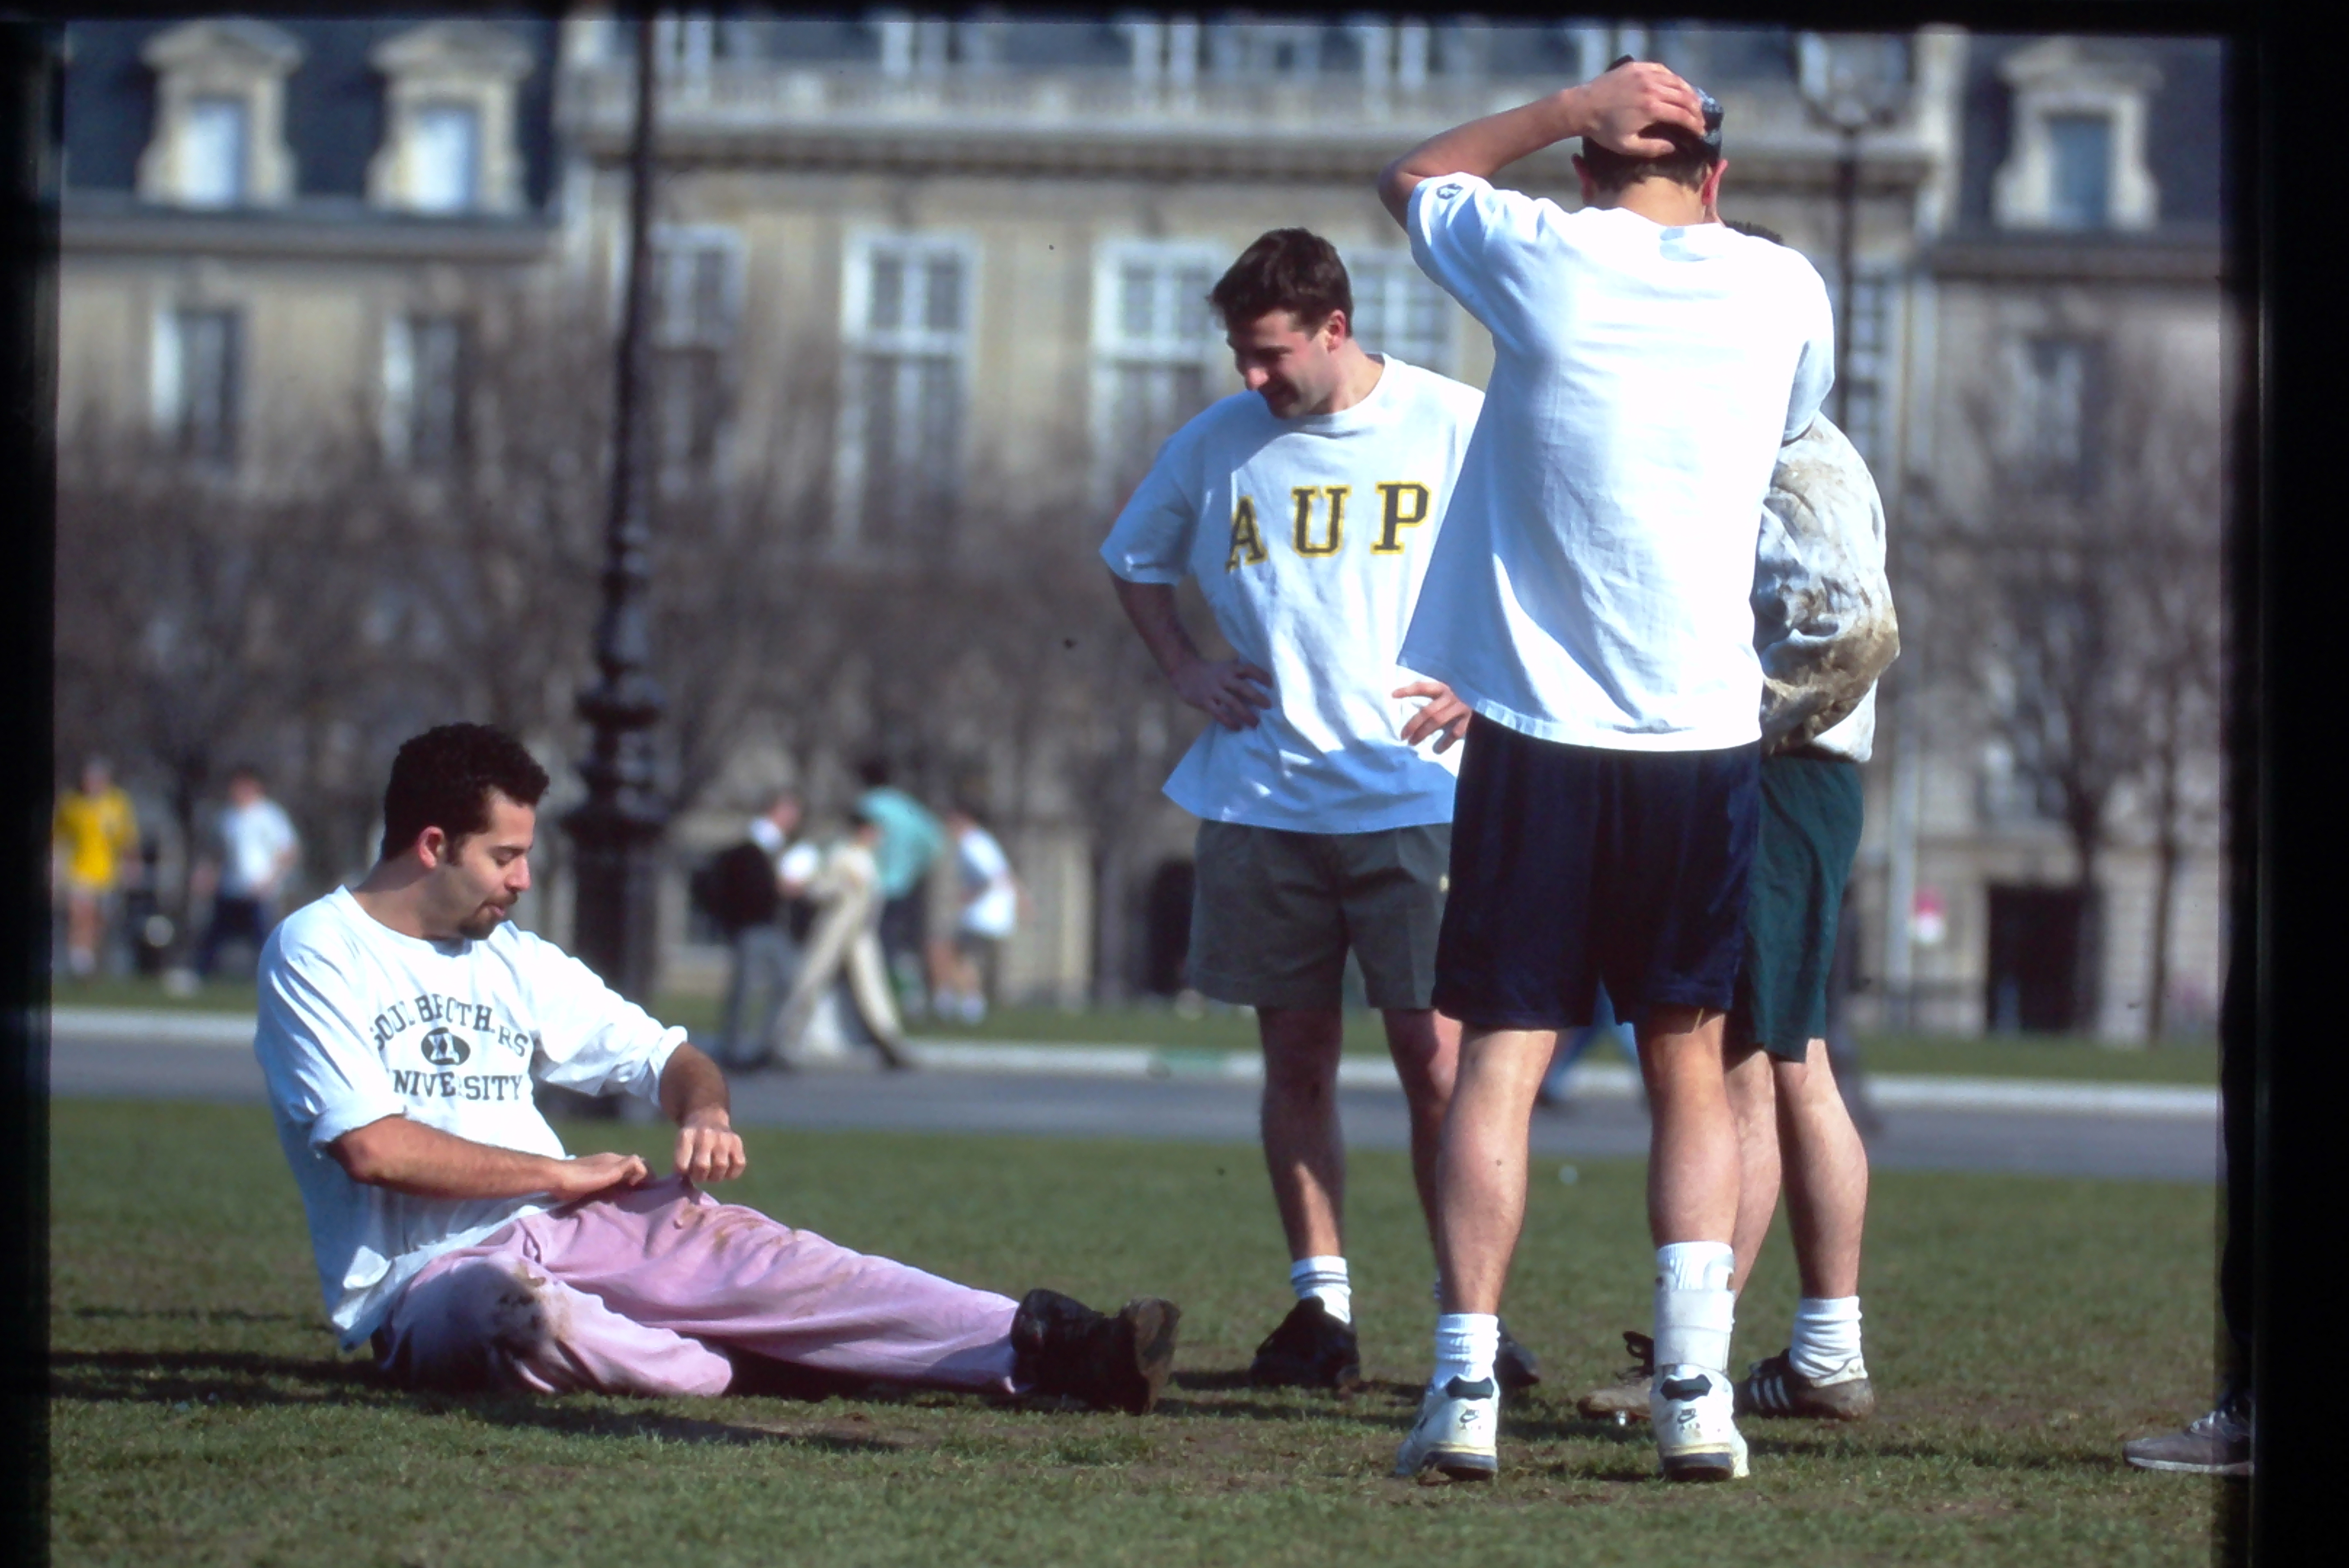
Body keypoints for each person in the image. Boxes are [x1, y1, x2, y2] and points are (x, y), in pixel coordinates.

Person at [1377, 57, 1835, 1484]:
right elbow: (1784, 422)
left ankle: (1462, 1391)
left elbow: (1412, 176)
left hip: (1534, 735)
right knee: (1687, 1068)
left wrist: (1564, 106)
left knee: (1497, 1069)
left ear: (1588, 168)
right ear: (1713, 174)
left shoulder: (1543, 257)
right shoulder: (1785, 290)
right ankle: (1692, 1389)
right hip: (1698, 737)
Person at [254, 723, 1176, 1408]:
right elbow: (371, 1148)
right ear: (431, 846)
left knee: (783, 1262)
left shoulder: (510, 958)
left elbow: (671, 1055)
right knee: (521, 1322)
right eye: (505, 856)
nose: (522, 880)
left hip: (575, 1221)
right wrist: (559, 1171)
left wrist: (703, 1112)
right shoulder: (319, 950)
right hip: (426, 1279)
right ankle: (767, 1368)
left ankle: (1054, 1343)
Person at [1102, 226, 1539, 1397]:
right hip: (1265, 796)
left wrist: (1491, 681)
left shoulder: (1452, 422)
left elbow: (1543, 551)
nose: (1253, 378)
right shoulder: (1218, 444)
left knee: (1436, 1060)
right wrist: (1187, 671)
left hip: (1416, 793)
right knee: (1294, 1057)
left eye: (1271, 354)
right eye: (1242, 355)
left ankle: (1474, 1319)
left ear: (1336, 329)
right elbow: (1134, 561)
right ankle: (1321, 1313)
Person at [1574, 403, 1899, 1429]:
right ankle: (1821, 1352)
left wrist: (1718, 730)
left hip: (1779, 776)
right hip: (1774, 773)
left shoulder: (1797, 461)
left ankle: (1696, 1362)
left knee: (1748, 1066)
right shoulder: (1766, 448)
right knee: (1785, 1059)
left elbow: (1854, 633)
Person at [766, 810, 914, 1071]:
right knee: (809, 982)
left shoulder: (868, 859)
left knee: (874, 991)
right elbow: (818, 889)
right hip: (834, 931)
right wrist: (839, 884)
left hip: (860, 935)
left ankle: (889, 1042)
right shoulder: (841, 855)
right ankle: (783, 1041)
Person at [702, 791, 812, 1069]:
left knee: (787, 981)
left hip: (773, 927)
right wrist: (777, 889)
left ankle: (766, 1045)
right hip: (751, 925)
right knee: (745, 987)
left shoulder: (779, 848)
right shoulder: (750, 850)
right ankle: (734, 1048)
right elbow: (748, 887)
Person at [854, 759, 945, 1015]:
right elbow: (934, 840)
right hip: (905, 886)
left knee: (874, 945)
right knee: (901, 946)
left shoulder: (869, 805)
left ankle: (879, 997)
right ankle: (912, 997)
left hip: (875, 887)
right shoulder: (906, 806)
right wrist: (914, 868)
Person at [195, 764, 300, 980]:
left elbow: (288, 851)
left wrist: (271, 880)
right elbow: (219, 853)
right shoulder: (228, 818)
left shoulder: (269, 815)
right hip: (231, 887)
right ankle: (201, 975)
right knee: (215, 935)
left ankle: (273, 977)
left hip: (260, 890)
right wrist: (209, 875)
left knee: (263, 938)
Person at [930, 802, 1019, 1025]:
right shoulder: (983, 842)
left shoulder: (971, 845)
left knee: (943, 949)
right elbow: (1004, 874)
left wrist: (969, 896)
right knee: (961, 957)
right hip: (993, 914)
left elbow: (988, 879)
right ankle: (964, 1003)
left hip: (983, 914)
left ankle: (955, 1001)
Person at [52, 755, 140, 979]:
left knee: (100, 919)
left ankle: (92, 962)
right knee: (81, 914)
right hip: (79, 870)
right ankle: (79, 961)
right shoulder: (72, 804)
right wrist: (55, 865)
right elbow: (59, 837)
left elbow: (127, 839)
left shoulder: (117, 804)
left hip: (107, 872)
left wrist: (131, 865)